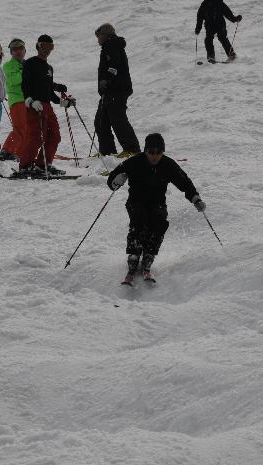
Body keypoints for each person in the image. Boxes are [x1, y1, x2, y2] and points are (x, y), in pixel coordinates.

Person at [106, 133, 206, 283]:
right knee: (139, 218)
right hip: (136, 201)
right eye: (151, 152)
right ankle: (134, 253)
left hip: (157, 202)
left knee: (159, 220)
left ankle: (149, 253)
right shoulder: (134, 162)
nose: (155, 156)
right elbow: (112, 178)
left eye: (158, 152)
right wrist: (115, 181)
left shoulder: (168, 164)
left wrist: (195, 198)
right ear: (145, 151)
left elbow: (184, 182)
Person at [19, 34, 74, 176]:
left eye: (51, 47)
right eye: (44, 46)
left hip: (47, 106)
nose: (47, 50)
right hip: (35, 106)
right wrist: (30, 101)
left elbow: (48, 90)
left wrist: (63, 102)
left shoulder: (49, 67)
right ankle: (25, 166)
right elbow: (25, 84)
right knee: (36, 136)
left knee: (54, 135)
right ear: (38, 46)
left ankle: (43, 164)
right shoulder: (30, 63)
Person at [94, 23, 140, 159]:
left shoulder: (112, 45)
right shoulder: (109, 46)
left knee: (118, 119)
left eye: (99, 36)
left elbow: (114, 66)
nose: (98, 39)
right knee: (101, 120)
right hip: (109, 91)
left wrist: (106, 80)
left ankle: (132, 149)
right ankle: (107, 151)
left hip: (116, 90)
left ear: (105, 35)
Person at [1, 38, 29, 164]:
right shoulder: (8, 65)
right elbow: (14, 80)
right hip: (17, 100)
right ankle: (8, 150)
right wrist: (27, 70)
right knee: (20, 128)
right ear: (11, 52)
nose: (18, 51)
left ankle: (19, 153)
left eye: (20, 49)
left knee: (28, 129)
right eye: (15, 49)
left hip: (28, 101)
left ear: (24, 50)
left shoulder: (27, 64)